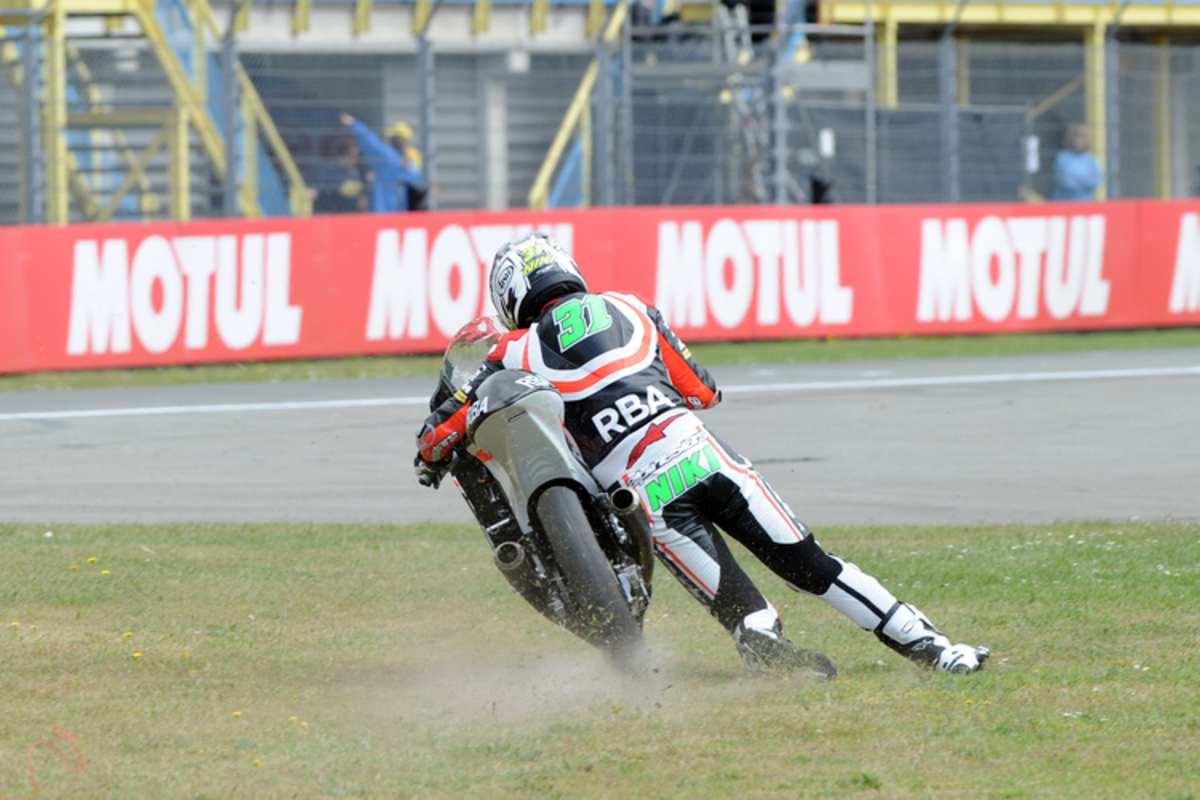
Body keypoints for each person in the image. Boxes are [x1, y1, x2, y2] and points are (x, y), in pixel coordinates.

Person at [413, 233, 991, 676]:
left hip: (645, 496)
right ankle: (937, 649)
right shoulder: (634, 306)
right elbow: (703, 392)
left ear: (512, 297)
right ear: (569, 269)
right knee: (814, 566)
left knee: (745, 617)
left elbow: (445, 430)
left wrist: (435, 444)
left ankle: (762, 642)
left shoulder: (510, 350)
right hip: (706, 457)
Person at [339, 113, 428, 212]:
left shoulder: (388, 157)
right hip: (405, 215)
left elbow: (370, 142)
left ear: (393, 139)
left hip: (384, 213)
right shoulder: (413, 163)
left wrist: (354, 124)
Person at [1053, 123, 1103, 201]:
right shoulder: (1062, 158)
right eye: (1075, 137)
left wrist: (1079, 181)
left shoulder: (1091, 159)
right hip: (1064, 203)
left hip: (1086, 202)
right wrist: (1084, 181)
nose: (1078, 141)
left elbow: (1097, 180)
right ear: (1070, 139)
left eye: (1082, 137)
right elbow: (1064, 181)